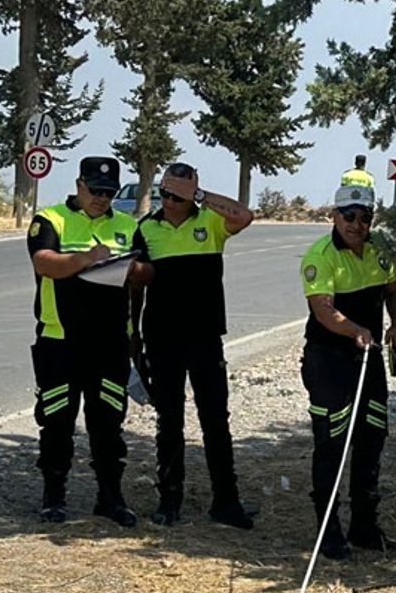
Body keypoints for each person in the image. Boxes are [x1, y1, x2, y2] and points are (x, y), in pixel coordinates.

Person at [129, 162, 255, 529]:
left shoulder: (211, 222)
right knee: (169, 421)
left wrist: (199, 196)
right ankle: (169, 500)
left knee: (215, 420)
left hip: (205, 337)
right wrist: (134, 335)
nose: (169, 202)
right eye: (165, 193)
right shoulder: (146, 228)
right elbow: (135, 285)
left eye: (178, 196)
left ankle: (226, 502)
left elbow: (244, 216)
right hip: (162, 338)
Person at [28, 156, 139, 527]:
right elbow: (44, 262)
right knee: (57, 421)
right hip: (60, 340)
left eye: (109, 192)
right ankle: (53, 497)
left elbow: (147, 272)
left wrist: (130, 266)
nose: (102, 198)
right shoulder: (51, 219)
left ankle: (110, 498)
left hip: (110, 343)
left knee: (108, 423)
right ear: (79, 185)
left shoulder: (127, 225)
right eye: (95, 191)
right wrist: (87, 258)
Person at [299, 184, 396, 560]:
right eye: (348, 216)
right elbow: (323, 310)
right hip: (328, 360)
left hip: (369, 359)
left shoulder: (381, 250)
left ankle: (364, 526)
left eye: (365, 217)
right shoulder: (321, 256)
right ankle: (328, 532)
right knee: (331, 445)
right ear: (334, 216)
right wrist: (355, 330)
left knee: (371, 438)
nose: (356, 224)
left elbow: (394, 291)